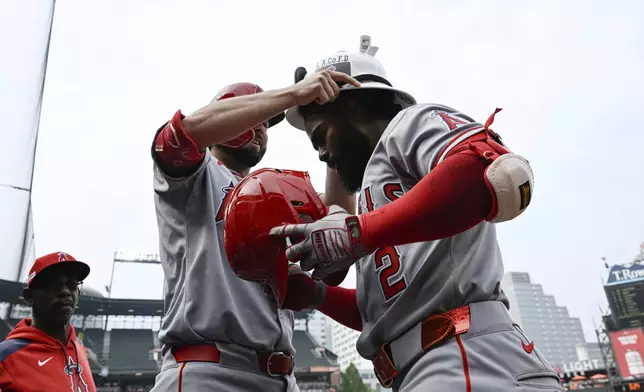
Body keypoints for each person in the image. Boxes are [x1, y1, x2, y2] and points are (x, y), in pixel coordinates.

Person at [270, 36, 564, 392]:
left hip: (469, 356)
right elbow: (387, 316)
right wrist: (318, 295)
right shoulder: (374, 197)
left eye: (320, 136)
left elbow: (498, 176)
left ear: (354, 107)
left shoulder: (409, 123)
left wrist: (358, 232)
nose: (320, 155)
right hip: (431, 365)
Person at [149, 74, 360, 392]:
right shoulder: (193, 178)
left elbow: (336, 221)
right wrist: (293, 95)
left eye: (266, 125)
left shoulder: (273, 189)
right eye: (257, 118)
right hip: (208, 372)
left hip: (281, 376)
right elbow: (179, 136)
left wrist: (335, 129)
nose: (261, 127)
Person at [0, 251, 96, 392]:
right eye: (53, 285)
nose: (66, 292)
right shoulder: (6, 357)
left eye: (73, 285)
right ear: (29, 296)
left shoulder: (79, 347)